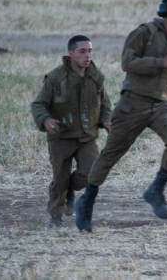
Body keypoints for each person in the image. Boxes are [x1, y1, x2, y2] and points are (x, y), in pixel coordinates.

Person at [74, 0, 167, 233]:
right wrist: (161, 63)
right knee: (110, 155)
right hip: (133, 103)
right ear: (164, 9)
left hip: (159, 104)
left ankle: (156, 189)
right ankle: (86, 201)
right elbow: (127, 63)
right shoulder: (144, 33)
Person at [30, 34, 111, 226]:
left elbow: (105, 104)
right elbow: (38, 105)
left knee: (92, 172)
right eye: (82, 51)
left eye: (90, 51)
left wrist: (106, 121)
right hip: (61, 137)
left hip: (86, 137)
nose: (87, 55)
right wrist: (47, 120)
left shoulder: (95, 77)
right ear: (71, 53)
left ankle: (69, 190)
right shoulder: (56, 78)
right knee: (60, 178)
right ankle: (55, 216)